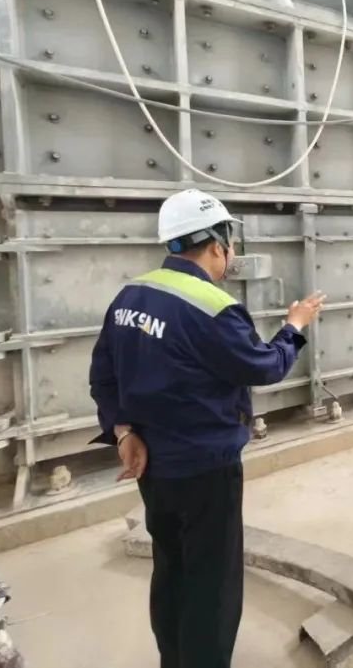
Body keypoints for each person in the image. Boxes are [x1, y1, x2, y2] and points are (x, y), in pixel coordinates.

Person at [88, 188, 325, 668]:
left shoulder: (131, 296)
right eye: (229, 244)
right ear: (218, 245)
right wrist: (295, 326)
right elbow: (264, 366)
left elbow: (103, 375)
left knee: (171, 569)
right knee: (211, 585)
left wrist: (123, 432)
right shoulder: (212, 307)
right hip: (205, 468)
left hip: (152, 465)